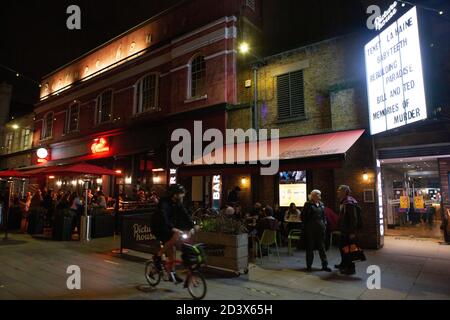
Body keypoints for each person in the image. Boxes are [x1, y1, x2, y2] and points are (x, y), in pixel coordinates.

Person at [151, 184, 197, 283]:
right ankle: (158, 256)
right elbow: (163, 217)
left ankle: (171, 273)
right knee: (175, 237)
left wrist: (192, 226)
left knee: (172, 252)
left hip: (168, 227)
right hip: (159, 227)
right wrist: (172, 228)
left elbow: (185, 214)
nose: (183, 196)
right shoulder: (164, 203)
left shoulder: (178, 203)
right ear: (174, 194)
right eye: (181, 194)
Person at [302, 190, 331, 272]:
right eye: (318, 195)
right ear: (313, 196)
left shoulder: (321, 204)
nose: (320, 196)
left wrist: (324, 224)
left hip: (320, 229)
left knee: (322, 247)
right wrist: (306, 227)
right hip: (310, 229)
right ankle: (309, 266)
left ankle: (325, 265)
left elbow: (323, 216)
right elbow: (304, 216)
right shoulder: (308, 204)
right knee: (310, 248)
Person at [335, 185, 359, 275]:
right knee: (342, 248)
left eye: (339, 190)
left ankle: (351, 268)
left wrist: (352, 232)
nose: (337, 192)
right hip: (344, 230)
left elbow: (353, 218)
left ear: (344, 192)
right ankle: (343, 264)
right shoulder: (344, 202)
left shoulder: (349, 203)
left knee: (349, 250)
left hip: (348, 231)